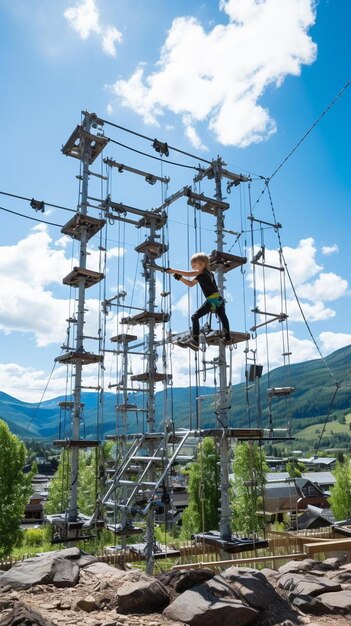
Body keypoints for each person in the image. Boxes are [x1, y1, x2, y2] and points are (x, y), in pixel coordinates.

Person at [167, 252, 231, 350]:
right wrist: (180, 278)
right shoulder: (209, 274)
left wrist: (173, 270)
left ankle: (195, 341)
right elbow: (191, 284)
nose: (193, 267)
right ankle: (228, 338)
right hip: (218, 298)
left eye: (194, 265)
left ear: (202, 264)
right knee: (223, 317)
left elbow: (188, 274)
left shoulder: (202, 272)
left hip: (211, 299)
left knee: (194, 317)